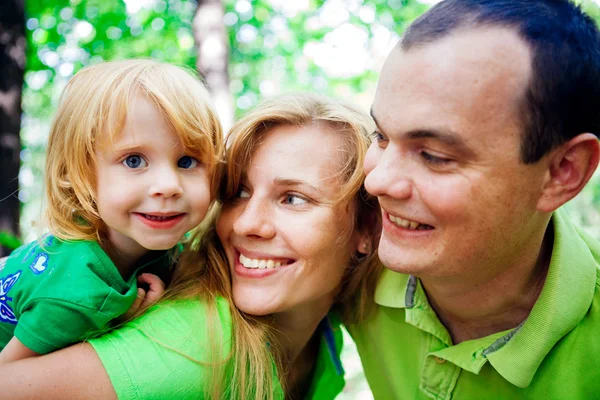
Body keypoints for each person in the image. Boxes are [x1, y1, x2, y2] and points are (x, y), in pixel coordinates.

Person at [0, 93, 382, 399]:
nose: (247, 223)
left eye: (293, 199)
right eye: (238, 192)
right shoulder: (194, 351)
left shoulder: (327, 339)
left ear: (366, 228)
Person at [347, 0, 600, 398]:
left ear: (562, 172)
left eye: (434, 156)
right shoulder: (350, 251)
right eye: (380, 137)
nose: (378, 181)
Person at [0, 59, 223, 364]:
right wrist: (115, 326)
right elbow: (9, 380)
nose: (169, 186)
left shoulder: (151, 245)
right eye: (134, 160)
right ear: (81, 176)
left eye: (187, 161)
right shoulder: (77, 294)